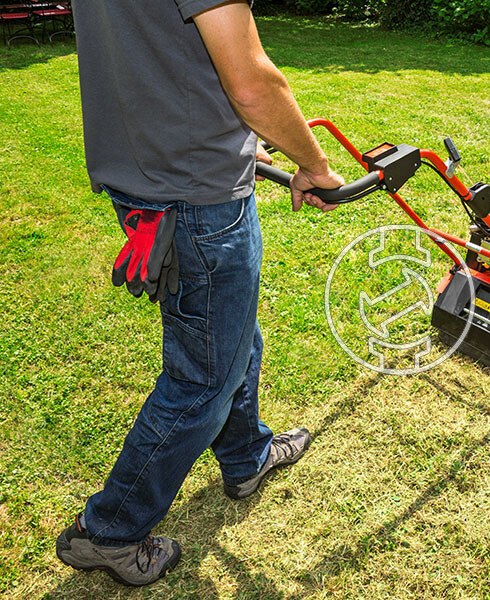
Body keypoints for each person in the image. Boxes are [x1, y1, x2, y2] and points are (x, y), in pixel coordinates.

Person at [55, 0, 344, 587]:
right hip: (196, 201)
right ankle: (110, 532)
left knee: (232, 337)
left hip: (149, 178)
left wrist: (227, 141)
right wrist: (311, 164)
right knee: (202, 378)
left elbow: (155, 59)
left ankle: (245, 458)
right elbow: (250, 81)